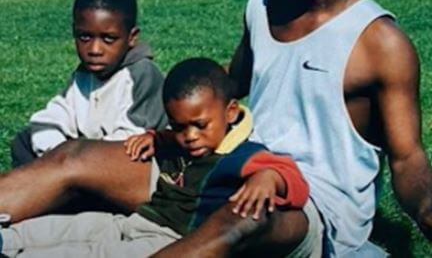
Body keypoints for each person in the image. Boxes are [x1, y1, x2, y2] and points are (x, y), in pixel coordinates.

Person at [0, 0, 431, 256]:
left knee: (240, 219)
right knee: (76, 156)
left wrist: (428, 208)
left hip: (310, 203)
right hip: (226, 157)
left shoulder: (379, 43)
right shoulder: (263, 6)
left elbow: (408, 157)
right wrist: (172, 131)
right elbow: (231, 84)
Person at [0, 58, 309, 257]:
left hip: (172, 239)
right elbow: (166, 137)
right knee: (75, 228)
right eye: (179, 126)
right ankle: (8, 240)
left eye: (200, 126)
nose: (189, 136)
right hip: (138, 219)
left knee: (95, 252)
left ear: (230, 112)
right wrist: (153, 138)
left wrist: (269, 179)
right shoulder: (180, 138)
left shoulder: (243, 154)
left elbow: (292, 179)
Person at [11, 0, 167, 167]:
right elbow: (56, 114)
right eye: (84, 37)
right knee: (25, 141)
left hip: (128, 163)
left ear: (131, 37)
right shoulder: (84, 73)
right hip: (83, 156)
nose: (94, 50)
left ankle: (59, 189)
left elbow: (129, 140)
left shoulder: (142, 75)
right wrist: (57, 154)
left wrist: (73, 157)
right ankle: (51, 185)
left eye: (108, 39)